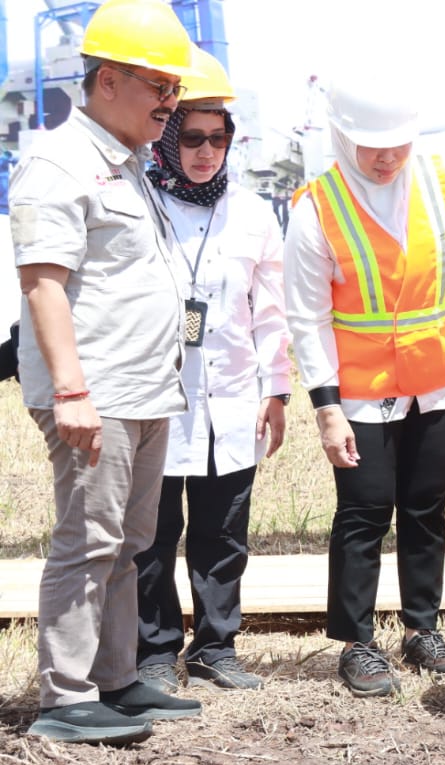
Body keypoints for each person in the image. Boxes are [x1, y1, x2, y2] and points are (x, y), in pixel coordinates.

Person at [10, 0, 202, 745]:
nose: (170, 103)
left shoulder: (129, 167)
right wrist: (71, 391)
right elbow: (43, 283)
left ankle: (116, 679)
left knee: (130, 540)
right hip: (97, 393)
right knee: (88, 539)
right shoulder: (58, 160)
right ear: (109, 80)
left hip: (143, 389)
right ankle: (64, 694)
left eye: (174, 89)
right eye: (159, 85)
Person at [285, 70, 445, 697]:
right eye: (371, 144)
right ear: (340, 137)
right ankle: (356, 642)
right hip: (360, 387)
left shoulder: (443, 181)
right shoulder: (316, 207)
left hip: (435, 377)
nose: (386, 158)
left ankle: (421, 629)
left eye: (397, 144)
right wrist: (326, 406)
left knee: (426, 509)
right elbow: (307, 315)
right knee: (365, 509)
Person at [132, 48, 291, 694]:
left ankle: (216, 646)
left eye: (217, 137)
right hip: (155, 398)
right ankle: (152, 649)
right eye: (191, 137)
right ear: (168, 139)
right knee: (151, 534)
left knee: (223, 535)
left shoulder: (252, 214)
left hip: (231, 401)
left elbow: (271, 314)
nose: (205, 151)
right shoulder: (138, 202)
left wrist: (276, 390)